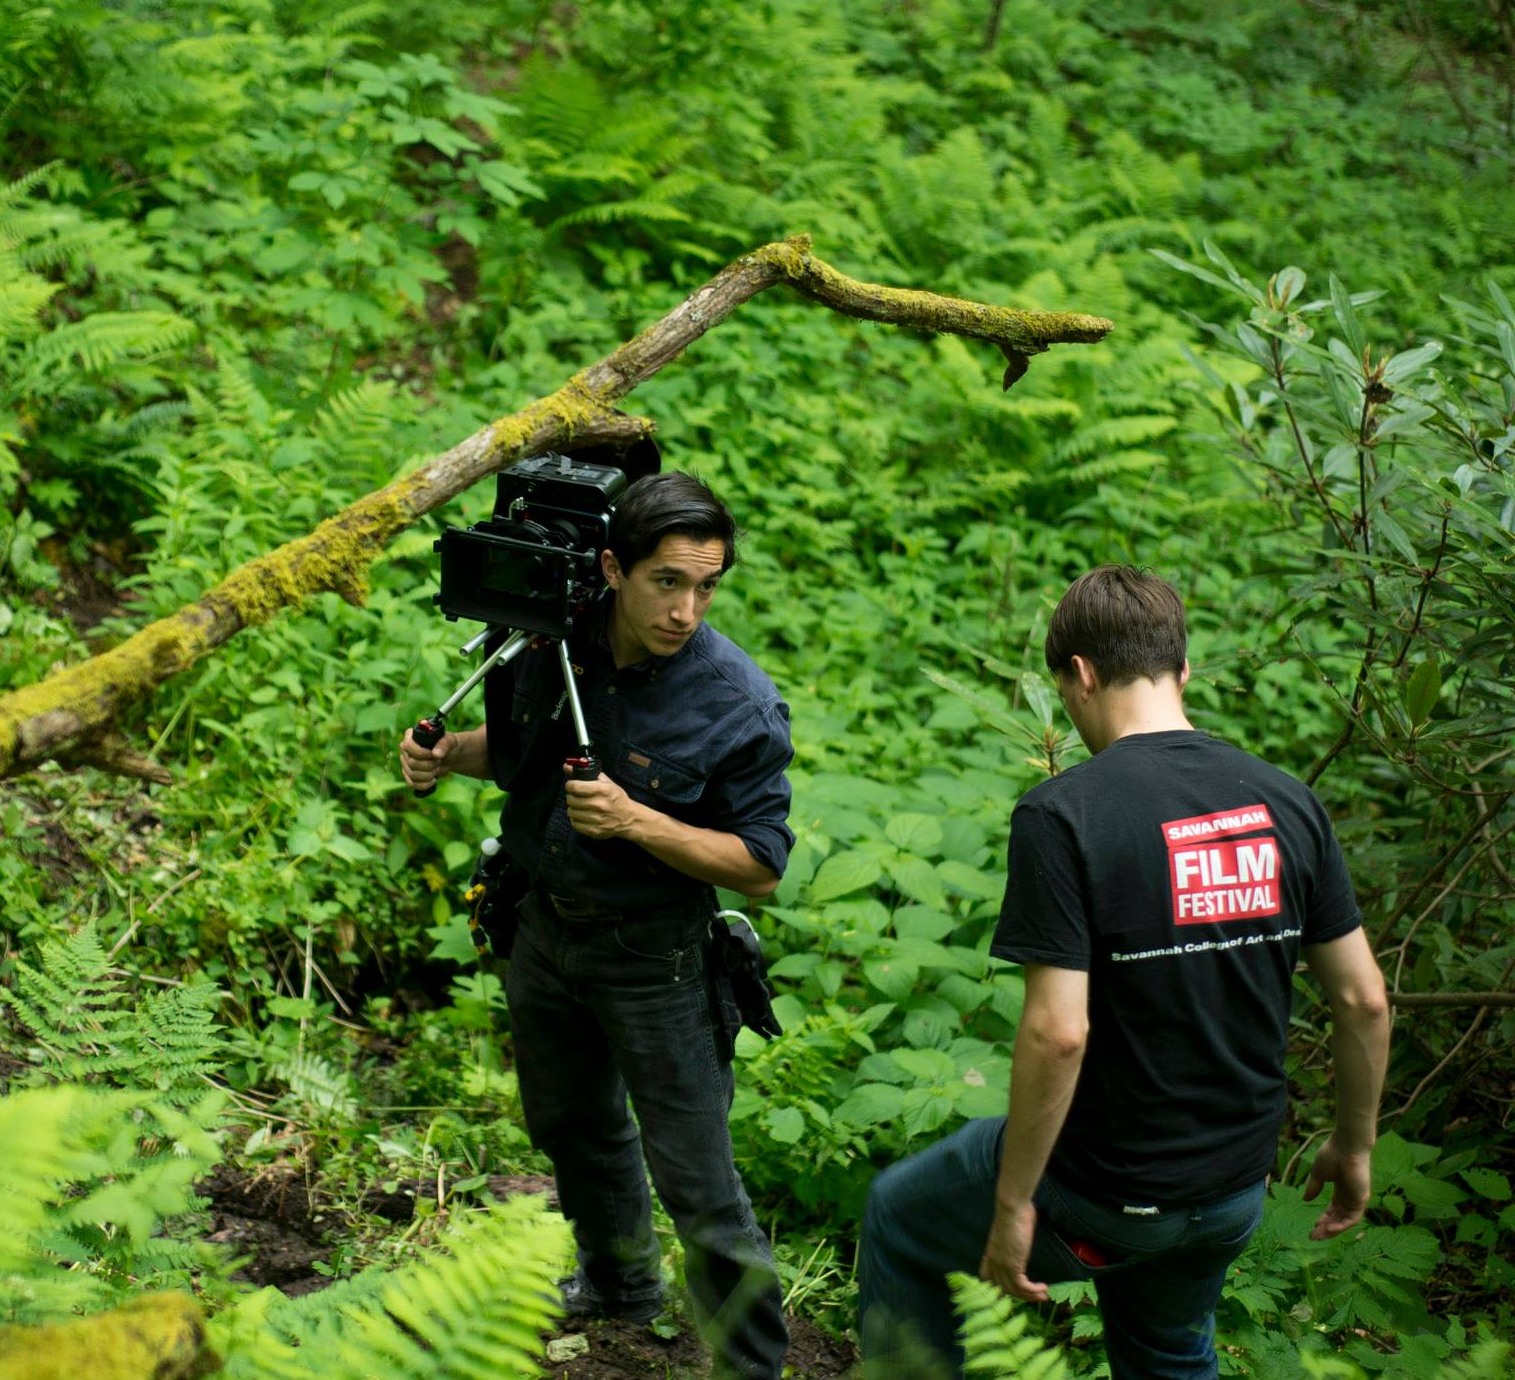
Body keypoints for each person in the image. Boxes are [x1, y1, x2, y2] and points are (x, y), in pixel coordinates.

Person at [857, 565, 1392, 1380]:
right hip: (1233, 1186)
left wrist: (1012, 1204)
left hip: (1101, 1191)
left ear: (1079, 674)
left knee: (900, 1216)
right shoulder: (1286, 801)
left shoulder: (1064, 814)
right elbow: (1362, 997)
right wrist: (1355, 1146)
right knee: (1166, 1349)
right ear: (1181, 670)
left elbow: (1060, 1032)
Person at [399, 471, 795, 1380]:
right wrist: (444, 755)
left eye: (708, 585)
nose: (687, 608)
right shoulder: (551, 643)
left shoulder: (734, 701)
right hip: (542, 927)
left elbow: (762, 866)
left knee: (698, 1183)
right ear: (613, 569)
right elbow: (526, 749)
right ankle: (618, 1284)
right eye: (668, 581)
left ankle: (752, 1365)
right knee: (572, 1124)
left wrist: (637, 823)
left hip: (654, 956)